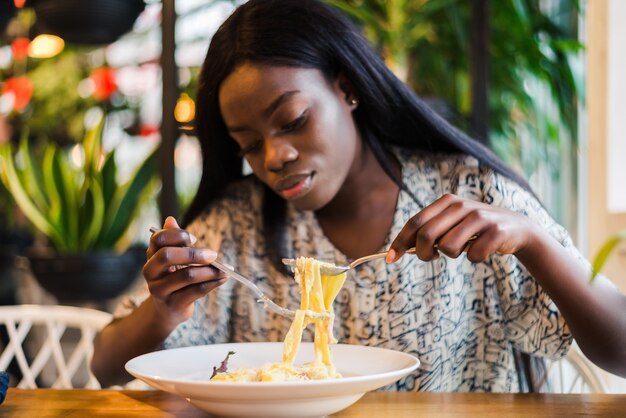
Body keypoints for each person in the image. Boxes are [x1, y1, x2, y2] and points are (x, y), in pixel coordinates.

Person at [91, 0, 626, 390]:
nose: (274, 157)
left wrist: (533, 240)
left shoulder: (471, 194)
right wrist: (163, 308)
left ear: (347, 88)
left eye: (294, 121)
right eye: (249, 144)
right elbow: (106, 366)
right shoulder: (237, 226)